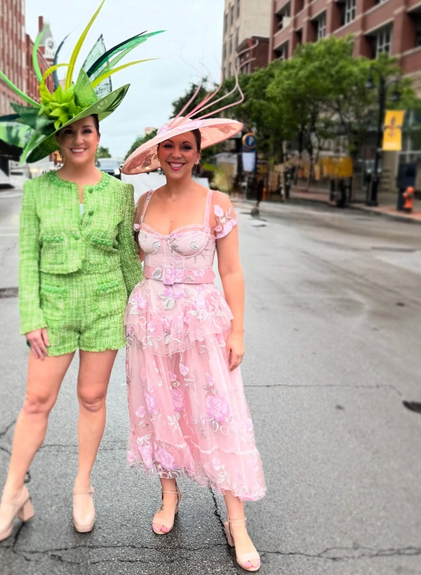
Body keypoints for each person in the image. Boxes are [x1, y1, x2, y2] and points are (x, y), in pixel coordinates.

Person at [0, 0, 161, 544]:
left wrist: (146, 313)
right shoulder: (37, 192)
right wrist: (30, 315)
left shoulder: (119, 192)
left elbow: (130, 260)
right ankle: (14, 492)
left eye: (86, 130)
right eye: (68, 133)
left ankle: (83, 485)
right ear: (56, 141)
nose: (78, 140)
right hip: (53, 311)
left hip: (105, 310)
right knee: (36, 400)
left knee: (92, 399)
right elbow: (26, 258)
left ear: (98, 134)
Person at [121, 81, 265, 572]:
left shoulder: (216, 204)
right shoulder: (141, 205)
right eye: (169, 146)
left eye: (186, 146)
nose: (177, 154)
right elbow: (124, 261)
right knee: (160, 408)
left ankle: (236, 519)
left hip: (203, 324)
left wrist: (238, 330)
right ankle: (169, 494)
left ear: (198, 153)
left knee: (216, 412)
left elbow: (231, 271)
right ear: (157, 153)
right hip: (149, 324)